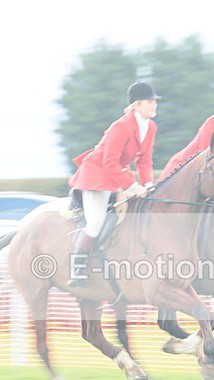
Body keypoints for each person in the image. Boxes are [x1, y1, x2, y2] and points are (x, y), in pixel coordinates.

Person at [66, 80, 160, 286]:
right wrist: (133, 186)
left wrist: (149, 183)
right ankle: (77, 268)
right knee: (96, 223)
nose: (154, 105)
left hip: (117, 174)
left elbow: (144, 160)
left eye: (154, 101)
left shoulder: (151, 127)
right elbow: (109, 162)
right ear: (136, 105)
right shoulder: (121, 126)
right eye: (149, 101)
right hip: (96, 175)